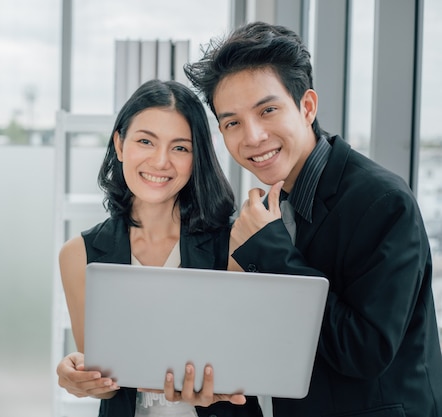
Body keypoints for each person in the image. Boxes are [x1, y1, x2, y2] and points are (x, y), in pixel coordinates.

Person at [180, 21, 442, 417]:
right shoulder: (266, 211)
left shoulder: (383, 202)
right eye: (232, 122)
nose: (252, 137)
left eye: (268, 110)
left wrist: (268, 251)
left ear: (306, 107)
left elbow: (364, 352)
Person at [55, 79, 263, 417]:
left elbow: (247, 361)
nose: (161, 161)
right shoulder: (78, 254)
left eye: (180, 148)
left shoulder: (231, 243)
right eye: (145, 142)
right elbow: (101, 373)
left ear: (197, 158)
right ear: (120, 145)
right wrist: (75, 374)